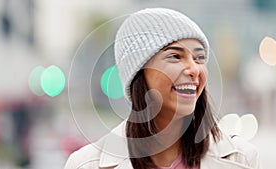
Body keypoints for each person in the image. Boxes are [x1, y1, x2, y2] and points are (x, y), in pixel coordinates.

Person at [64, 8, 261, 169]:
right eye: (175, 56)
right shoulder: (85, 164)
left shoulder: (242, 159)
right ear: (139, 74)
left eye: (199, 58)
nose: (194, 69)